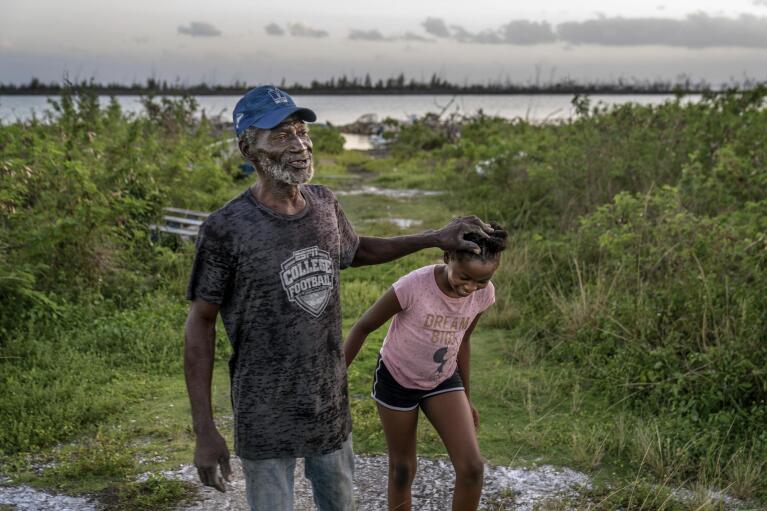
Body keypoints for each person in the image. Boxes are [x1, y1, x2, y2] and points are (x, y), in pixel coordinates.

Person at [183, 85, 496, 511]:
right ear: (247, 148)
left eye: (300, 131)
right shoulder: (225, 229)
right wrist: (205, 429)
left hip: (328, 405)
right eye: (280, 135)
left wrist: (432, 238)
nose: (298, 144)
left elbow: (355, 249)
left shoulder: (324, 204)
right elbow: (200, 322)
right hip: (264, 410)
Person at [343, 224, 507, 511]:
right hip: (397, 380)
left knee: (472, 468)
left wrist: (466, 398)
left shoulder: (483, 294)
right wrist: (333, 381)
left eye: (481, 281)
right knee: (403, 469)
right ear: (447, 257)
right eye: (465, 277)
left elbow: (463, 341)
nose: (470, 288)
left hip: (442, 380)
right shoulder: (414, 286)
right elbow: (362, 327)